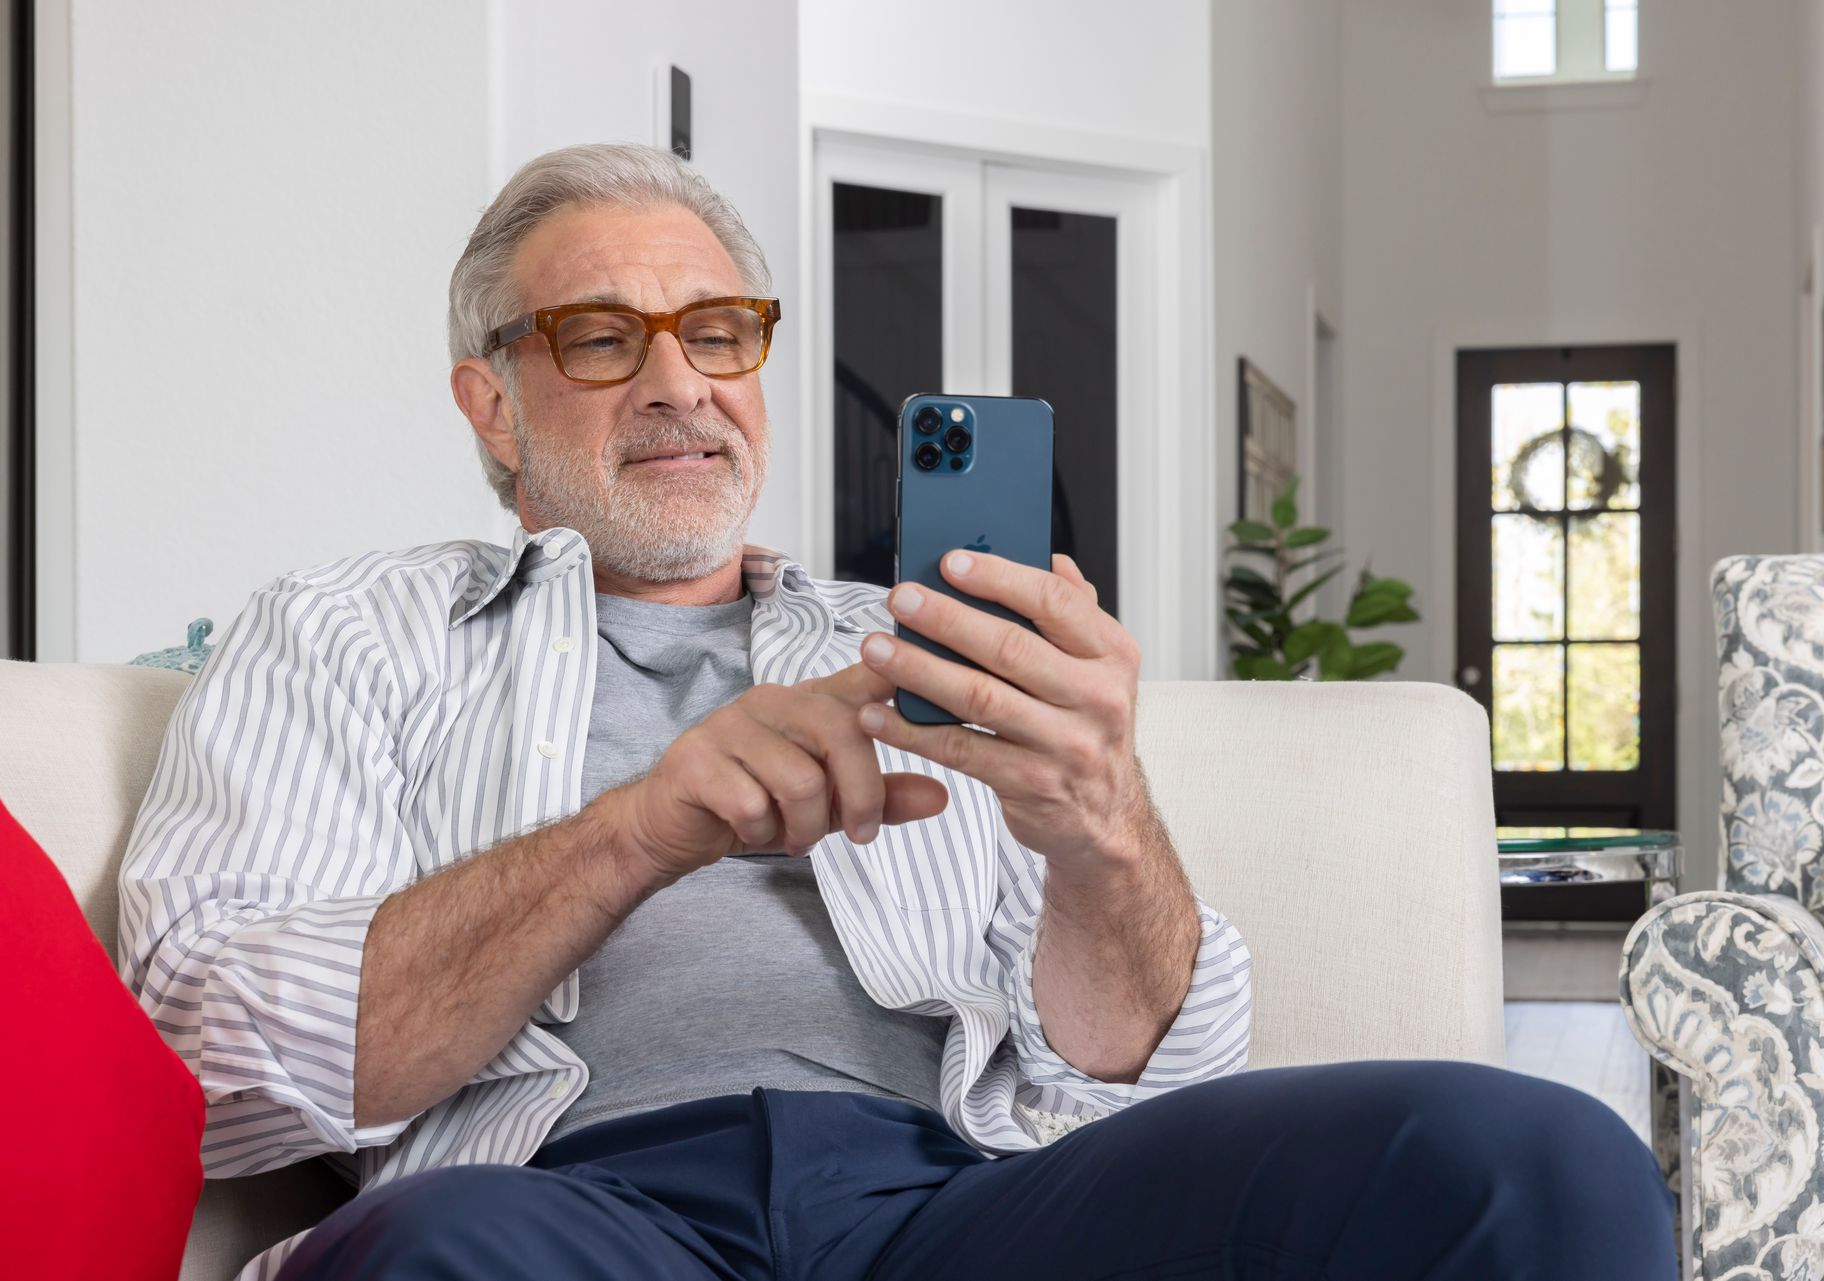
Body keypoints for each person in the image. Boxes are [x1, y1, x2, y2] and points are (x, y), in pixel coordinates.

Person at [119, 142, 1675, 1280]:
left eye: (719, 331)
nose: (680, 382)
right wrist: (635, 830)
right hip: (559, 1205)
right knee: (430, 1264)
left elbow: (1142, 1077)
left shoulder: (923, 640)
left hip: (959, 1200)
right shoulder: (340, 634)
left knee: (1532, 1159)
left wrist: (1104, 827)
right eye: (603, 338)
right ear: (490, 401)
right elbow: (204, 1060)